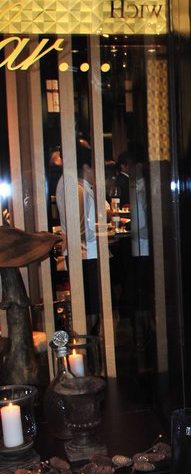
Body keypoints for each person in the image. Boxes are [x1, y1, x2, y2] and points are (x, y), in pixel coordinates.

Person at [55, 138, 108, 334]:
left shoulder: (71, 184)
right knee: (90, 310)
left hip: (83, 253)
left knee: (89, 308)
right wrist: (102, 231)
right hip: (85, 255)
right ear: (86, 167)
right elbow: (79, 229)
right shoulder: (76, 188)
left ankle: (88, 345)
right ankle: (88, 347)